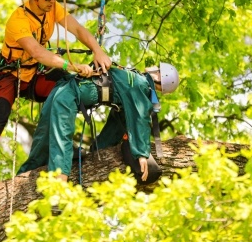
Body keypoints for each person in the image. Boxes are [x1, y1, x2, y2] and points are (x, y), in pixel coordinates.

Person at [0, 0, 112, 200]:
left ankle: (62, 151)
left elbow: (78, 29)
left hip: (35, 76)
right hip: (11, 76)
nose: (51, 2)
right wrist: (71, 65)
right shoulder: (18, 20)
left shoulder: (52, 9)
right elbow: (38, 52)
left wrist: (97, 50)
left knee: (70, 90)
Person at [17, 62, 179, 182]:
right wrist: (141, 152)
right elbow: (138, 115)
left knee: (50, 136)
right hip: (67, 92)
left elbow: (139, 118)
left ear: (159, 75)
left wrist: (141, 154)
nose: (153, 66)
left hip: (65, 92)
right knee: (50, 136)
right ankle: (51, 183)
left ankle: (48, 181)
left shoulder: (138, 83)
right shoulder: (135, 80)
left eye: (157, 68)